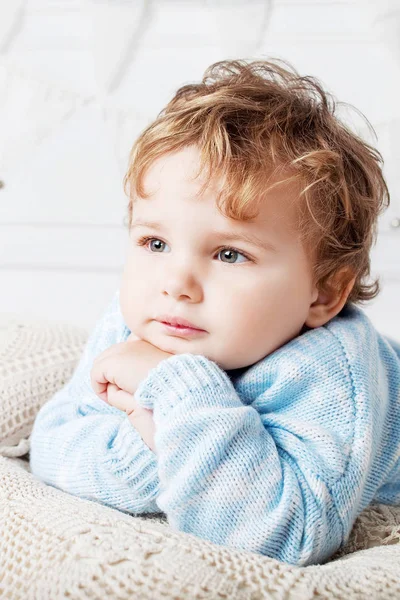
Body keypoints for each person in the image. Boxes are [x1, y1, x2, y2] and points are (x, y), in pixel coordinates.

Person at [29, 59, 400, 567]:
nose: (176, 284)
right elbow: (53, 446)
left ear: (323, 295)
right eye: (155, 242)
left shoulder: (332, 371)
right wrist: (158, 436)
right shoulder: (139, 320)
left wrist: (175, 393)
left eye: (229, 254)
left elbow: (284, 535)